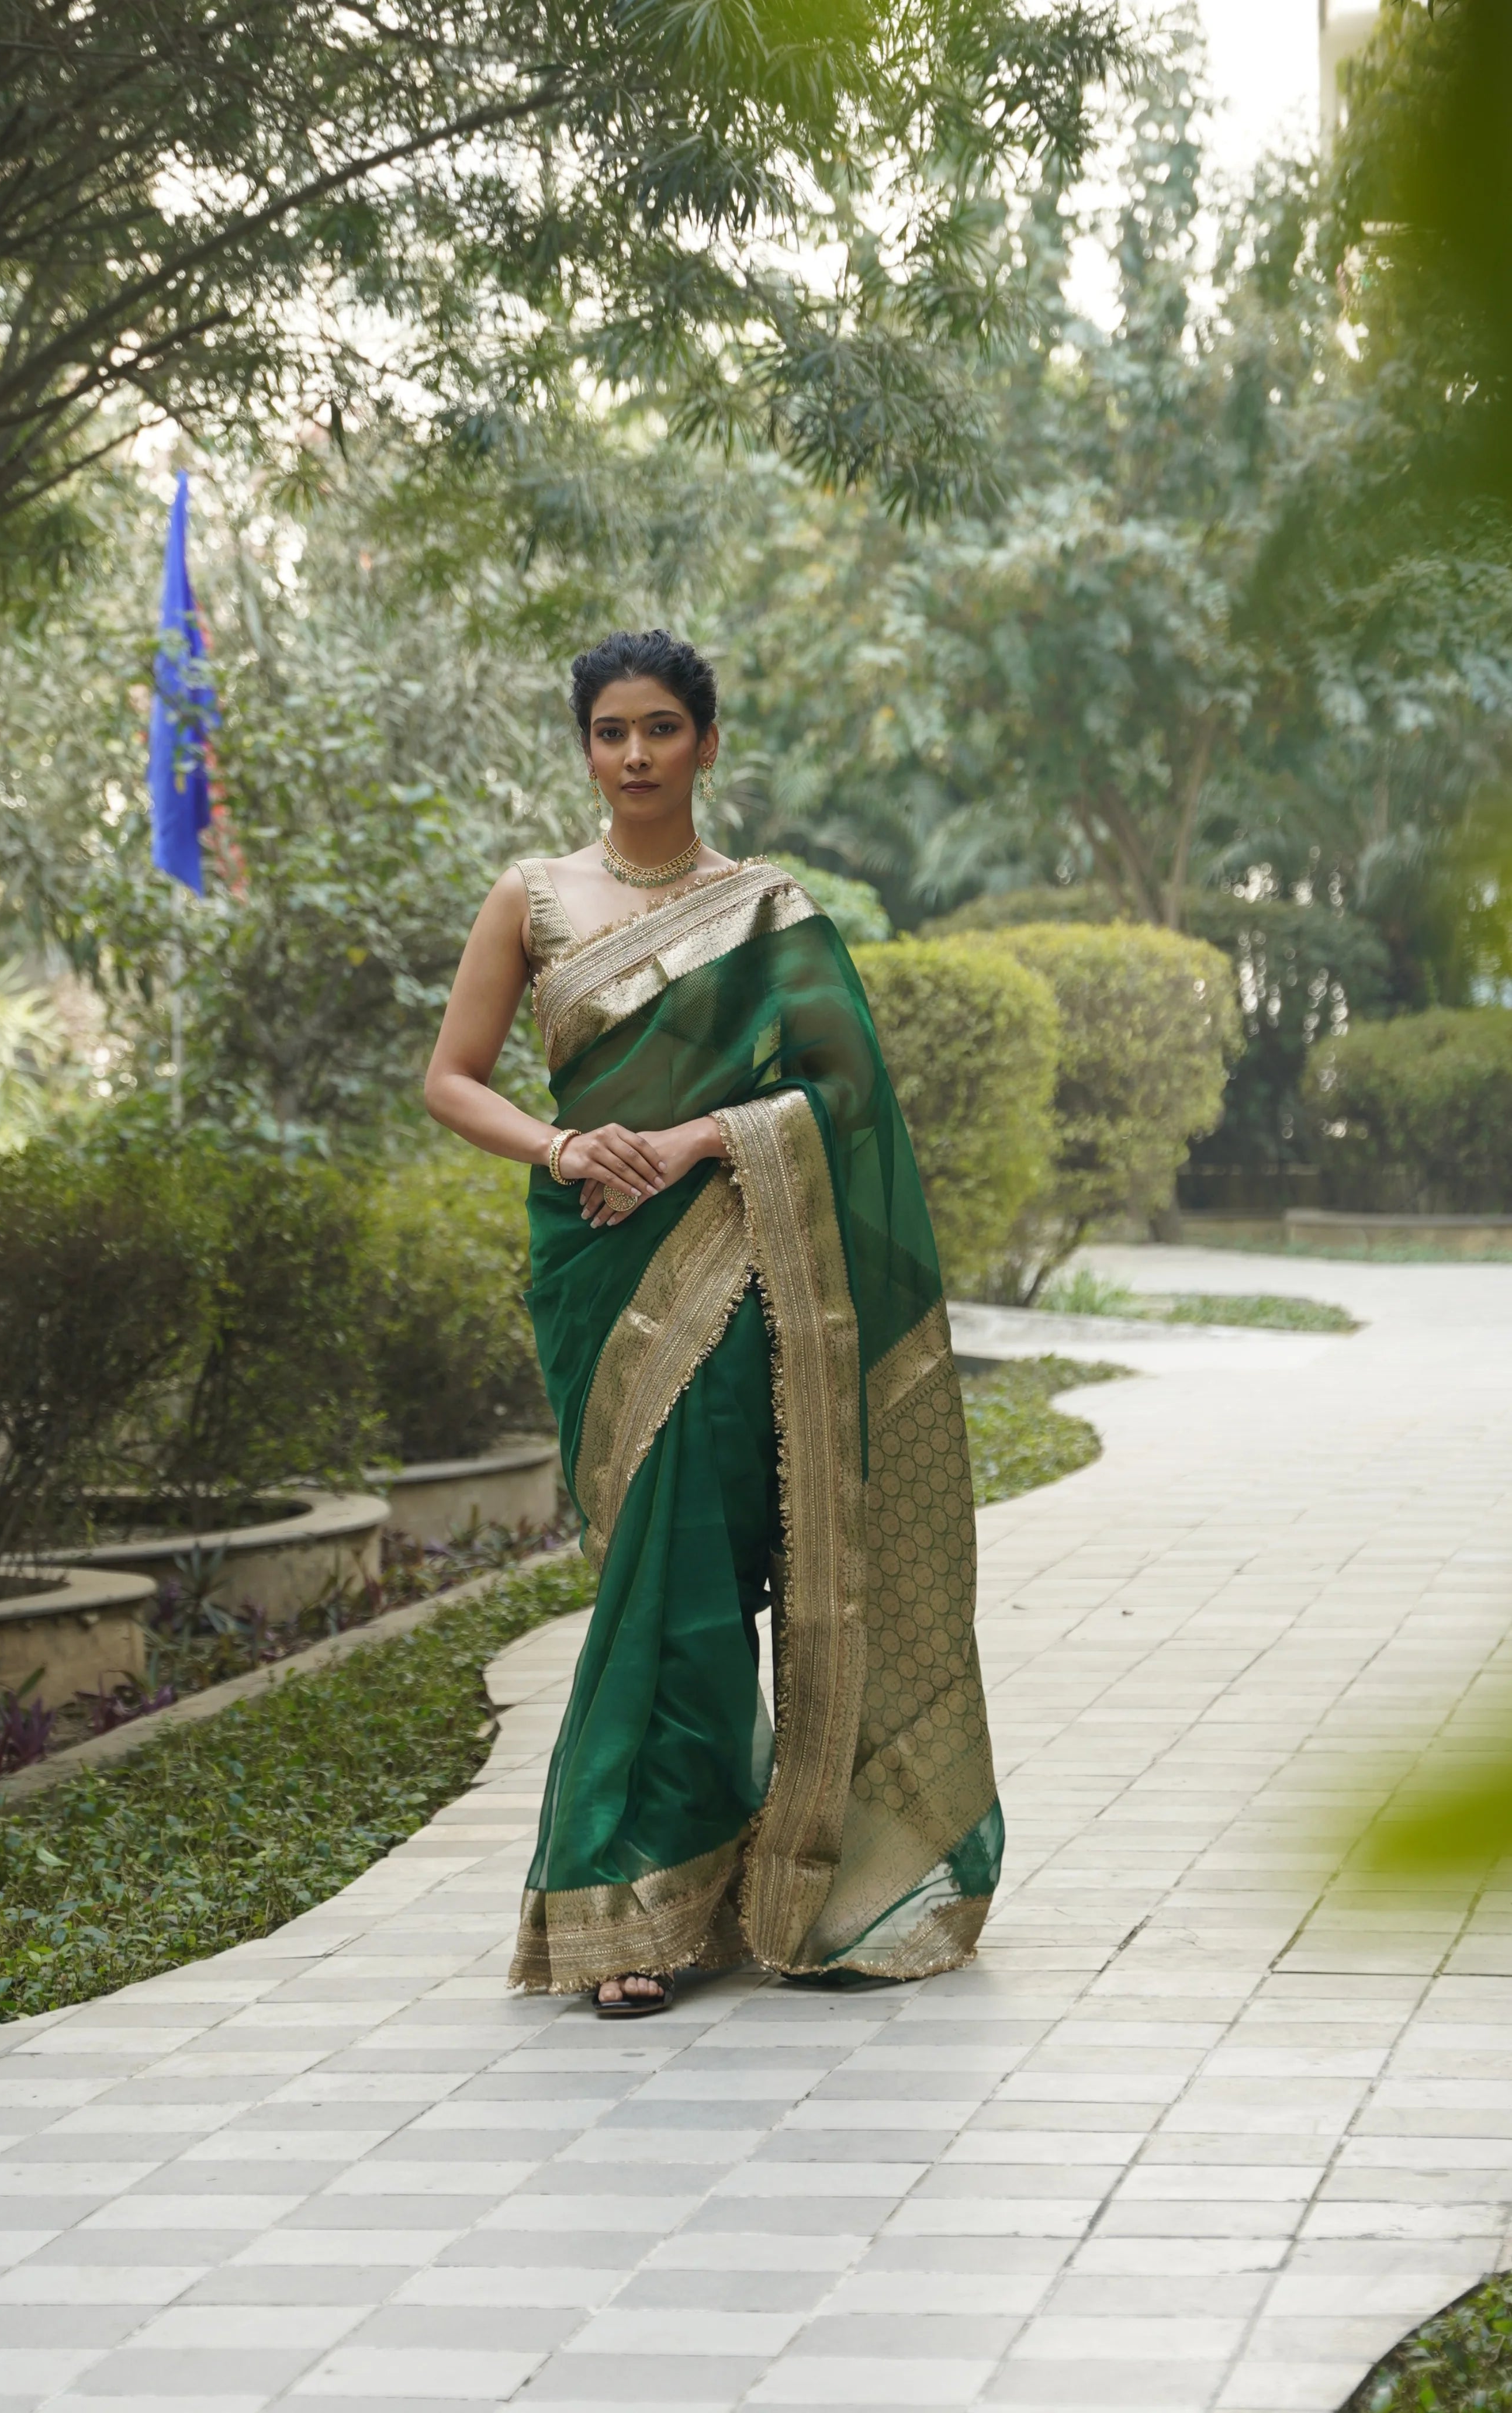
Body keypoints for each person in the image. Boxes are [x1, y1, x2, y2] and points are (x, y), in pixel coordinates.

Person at [424, 628, 1002, 2016]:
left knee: (705, 1577)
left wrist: (689, 1142)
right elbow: (452, 1081)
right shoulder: (532, 899)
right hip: (595, 1263)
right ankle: (638, 1899)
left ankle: (703, 1891)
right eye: (610, 731)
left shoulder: (766, 912)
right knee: (651, 1576)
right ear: (583, 747)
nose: (634, 756)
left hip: (740, 1268)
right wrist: (566, 1154)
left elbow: (844, 1096)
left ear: (706, 742)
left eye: (661, 729)